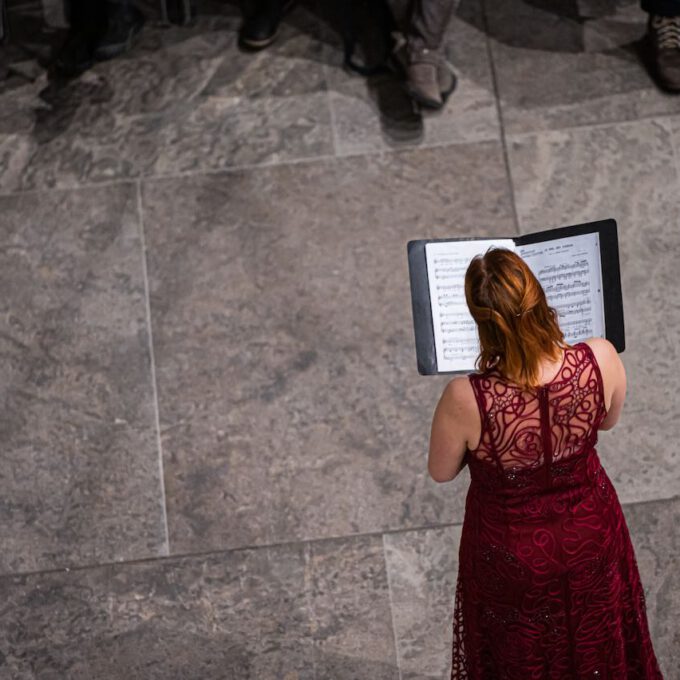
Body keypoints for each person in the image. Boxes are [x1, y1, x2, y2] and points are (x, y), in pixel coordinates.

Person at [428, 248, 665, 678]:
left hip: (510, 555)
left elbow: (441, 471)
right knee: (599, 644)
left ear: (485, 326)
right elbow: (608, 421)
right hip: (592, 533)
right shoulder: (601, 358)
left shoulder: (465, 398)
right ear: (538, 301)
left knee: (520, 658)